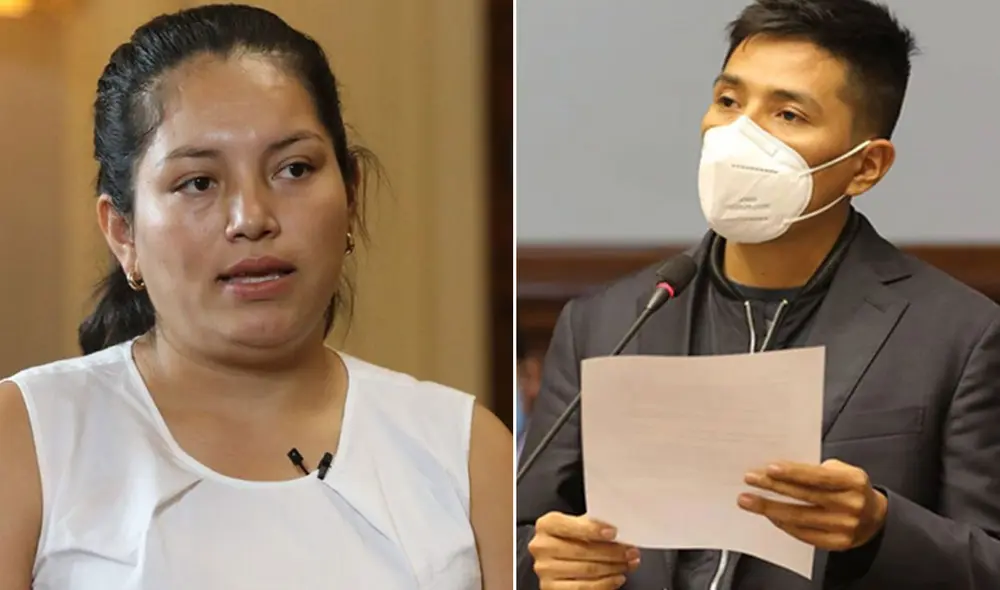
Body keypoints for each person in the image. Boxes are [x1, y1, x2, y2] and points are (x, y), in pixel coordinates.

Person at [0, 5, 512, 589]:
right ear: (123, 232)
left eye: (293, 169)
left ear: (350, 194)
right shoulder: (27, 439)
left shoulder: (463, 451)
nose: (251, 219)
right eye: (199, 182)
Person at [517, 0, 1000, 589]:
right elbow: (525, 535)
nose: (738, 133)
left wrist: (880, 526)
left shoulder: (960, 334)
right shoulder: (609, 320)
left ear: (866, 166)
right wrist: (552, 565)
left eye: (789, 114)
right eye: (728, 101)